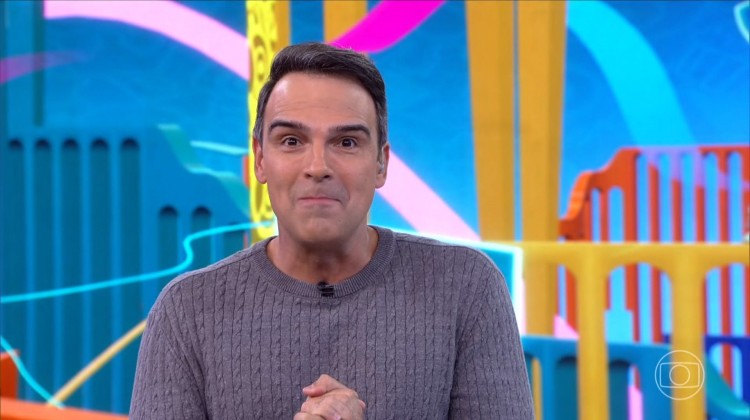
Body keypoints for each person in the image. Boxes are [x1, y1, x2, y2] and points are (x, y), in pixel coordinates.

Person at [130, 42, 534, 419]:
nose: (318, 166)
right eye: (292, 141)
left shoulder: (467, 288)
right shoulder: (187, 311)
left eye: (346, 143)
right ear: (260, 160)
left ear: (381, 163)